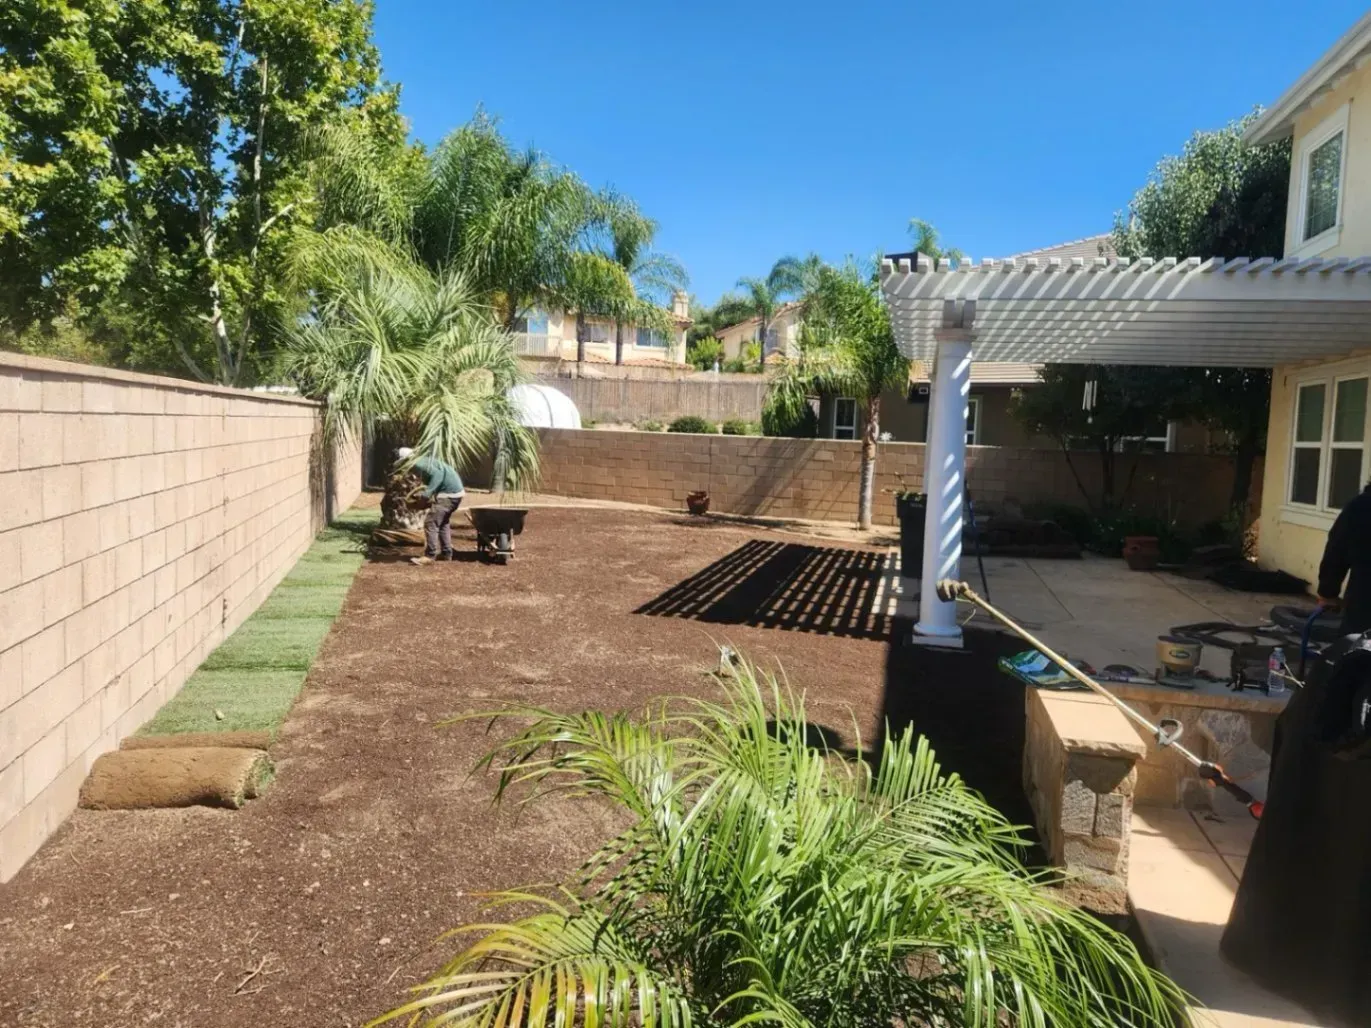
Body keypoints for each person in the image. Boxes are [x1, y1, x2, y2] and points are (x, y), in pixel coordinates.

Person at [1317, 480, 1371, 635]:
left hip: (1364, 605)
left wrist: (1328, 593)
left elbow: (1337, 550)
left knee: (1356, 652)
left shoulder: (1361, 507)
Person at [396, 447, 465, 565]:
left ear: (407, 460)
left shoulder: (418, 463)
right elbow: (436, 478)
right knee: (442, 522)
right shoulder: (423, 461)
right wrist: (425, 496)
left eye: (402, 463)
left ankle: (430, 555)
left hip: (449, 494)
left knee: (430, 522)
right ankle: (446, 553)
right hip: (455, 493)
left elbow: (438, 475)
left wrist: (426, 494)